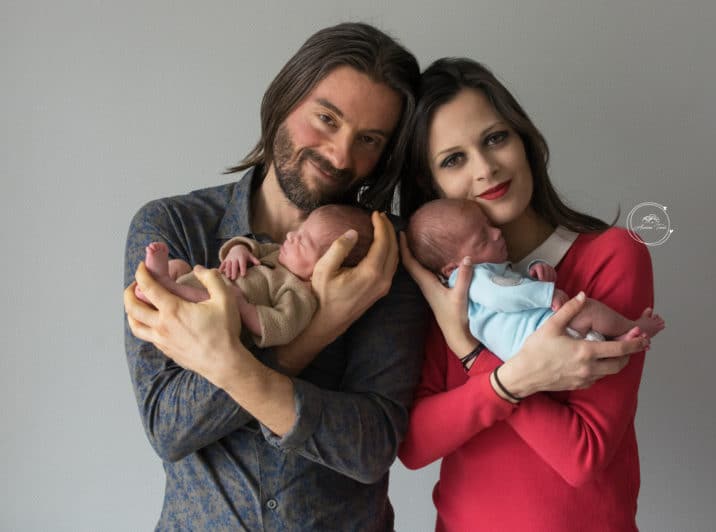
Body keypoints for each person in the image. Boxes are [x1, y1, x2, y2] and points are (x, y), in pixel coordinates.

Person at [122, 23, 430, 530]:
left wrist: (232, 363)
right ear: (285, 98)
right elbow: (169, 426)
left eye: (368, 139)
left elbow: (372, 446)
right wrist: (313, 335)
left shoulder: (380, 253)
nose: (339, 155)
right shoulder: (174, 227)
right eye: (326, 119)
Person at [397, 58, 655, 531]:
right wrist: (512, 381)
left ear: (524, 140)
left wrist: (473, 354)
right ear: (429, 184)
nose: (486, 168)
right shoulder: (441, 286)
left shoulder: (610, 255)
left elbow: (581, 454)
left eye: (495, 138)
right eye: (453, 159)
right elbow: (413, 446)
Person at [406, 198, 665, 361]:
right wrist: (546, 294)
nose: (497, 233)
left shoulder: (482, 275)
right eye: (483, 239)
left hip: (534, 347)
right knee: (585, 310)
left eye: (488, 224)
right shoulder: (471, 278)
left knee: (584, 340)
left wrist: (536, 268)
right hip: (534, 340)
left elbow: (511, 282)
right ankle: (631, 326)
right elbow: (502, 294)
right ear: (452, 268)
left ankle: (615, 344)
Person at [137, 204, 373, 349]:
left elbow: (281, 326)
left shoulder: (299, 293)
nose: (291, 236)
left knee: (210, 300)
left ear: (326, 267)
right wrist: (238, 250)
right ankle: (163, 280)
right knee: (179, 265)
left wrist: (241, 306)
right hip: (202, 281)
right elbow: (252, 247)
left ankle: (163, 286)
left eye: (303, 241)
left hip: (214, 317)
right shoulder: (277, 253)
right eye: (299, 230)